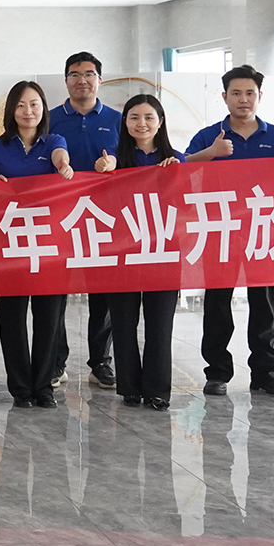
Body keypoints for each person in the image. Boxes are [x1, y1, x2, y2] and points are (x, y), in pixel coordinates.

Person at [186, 64, 274, 399]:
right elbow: (181, 170)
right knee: (218, 304)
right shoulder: (209, 136)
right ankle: (217, 372)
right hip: (220, 230)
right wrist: (211, 153)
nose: (243, 99)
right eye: (236, 93)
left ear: (260, 96)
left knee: (264, 304)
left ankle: (265, 372)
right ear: (224, 97)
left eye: (250, 93)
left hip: (264, 230)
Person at [0, 80, 75, 408]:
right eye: (21, 105)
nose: (28, 111)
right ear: (11, 110)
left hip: (49, 244)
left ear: (43, 109)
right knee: (12, 317)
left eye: (34, 104)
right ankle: (21, 388)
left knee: (49, 317)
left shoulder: (54, 141)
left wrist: (62, 165)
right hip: (9, 244)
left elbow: (61, 156)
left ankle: (43, 386)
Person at [100, 94, 182, 411]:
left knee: (160, 325)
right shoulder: (113, 157)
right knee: (123, 324)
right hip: (122, 253)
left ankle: (158, 390)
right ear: (125, 123)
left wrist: (178, 174)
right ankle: (130, 388)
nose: (141, 123)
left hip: (163, 253)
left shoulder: (176, 160)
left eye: (149, 117)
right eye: (134, 117)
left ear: (160, 122)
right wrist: (105, 169)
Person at [50, 51, 124, 390]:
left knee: (103, 293)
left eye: (89, 74)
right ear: (66, 81)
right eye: (75, 74)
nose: (82, 80)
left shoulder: (118, 119)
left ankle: (100, 362)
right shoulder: (49, 120)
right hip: (58, 217)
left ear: (100, 80)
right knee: (55, 292)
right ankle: (55, 362)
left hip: (104, 219)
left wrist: (114, 164)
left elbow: (133, 159)